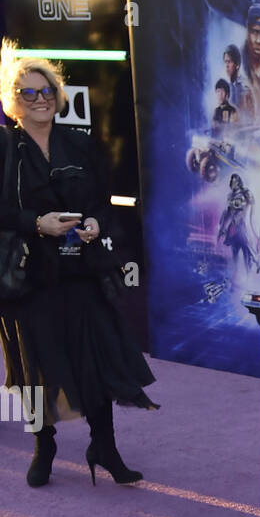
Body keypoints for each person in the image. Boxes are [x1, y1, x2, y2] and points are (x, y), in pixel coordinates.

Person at [0, 45, 158, 488]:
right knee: (33, 367)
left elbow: (101, 203)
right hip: (28, 279)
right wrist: (37, 222)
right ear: (12, 100)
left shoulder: (79, 142)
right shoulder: (5, 148)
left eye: (46, 90)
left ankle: (103, 446)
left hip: (80, 269)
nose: (39, 99)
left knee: (96, 358)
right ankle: (43, 445)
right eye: (27, 92)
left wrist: (91, 223)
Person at [223, 43, 252, 116]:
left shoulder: (244, 86)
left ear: (237, 65)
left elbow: (246, 115)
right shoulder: (228, 86)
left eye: (229, 62)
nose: (226, 66)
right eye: (225, 62)